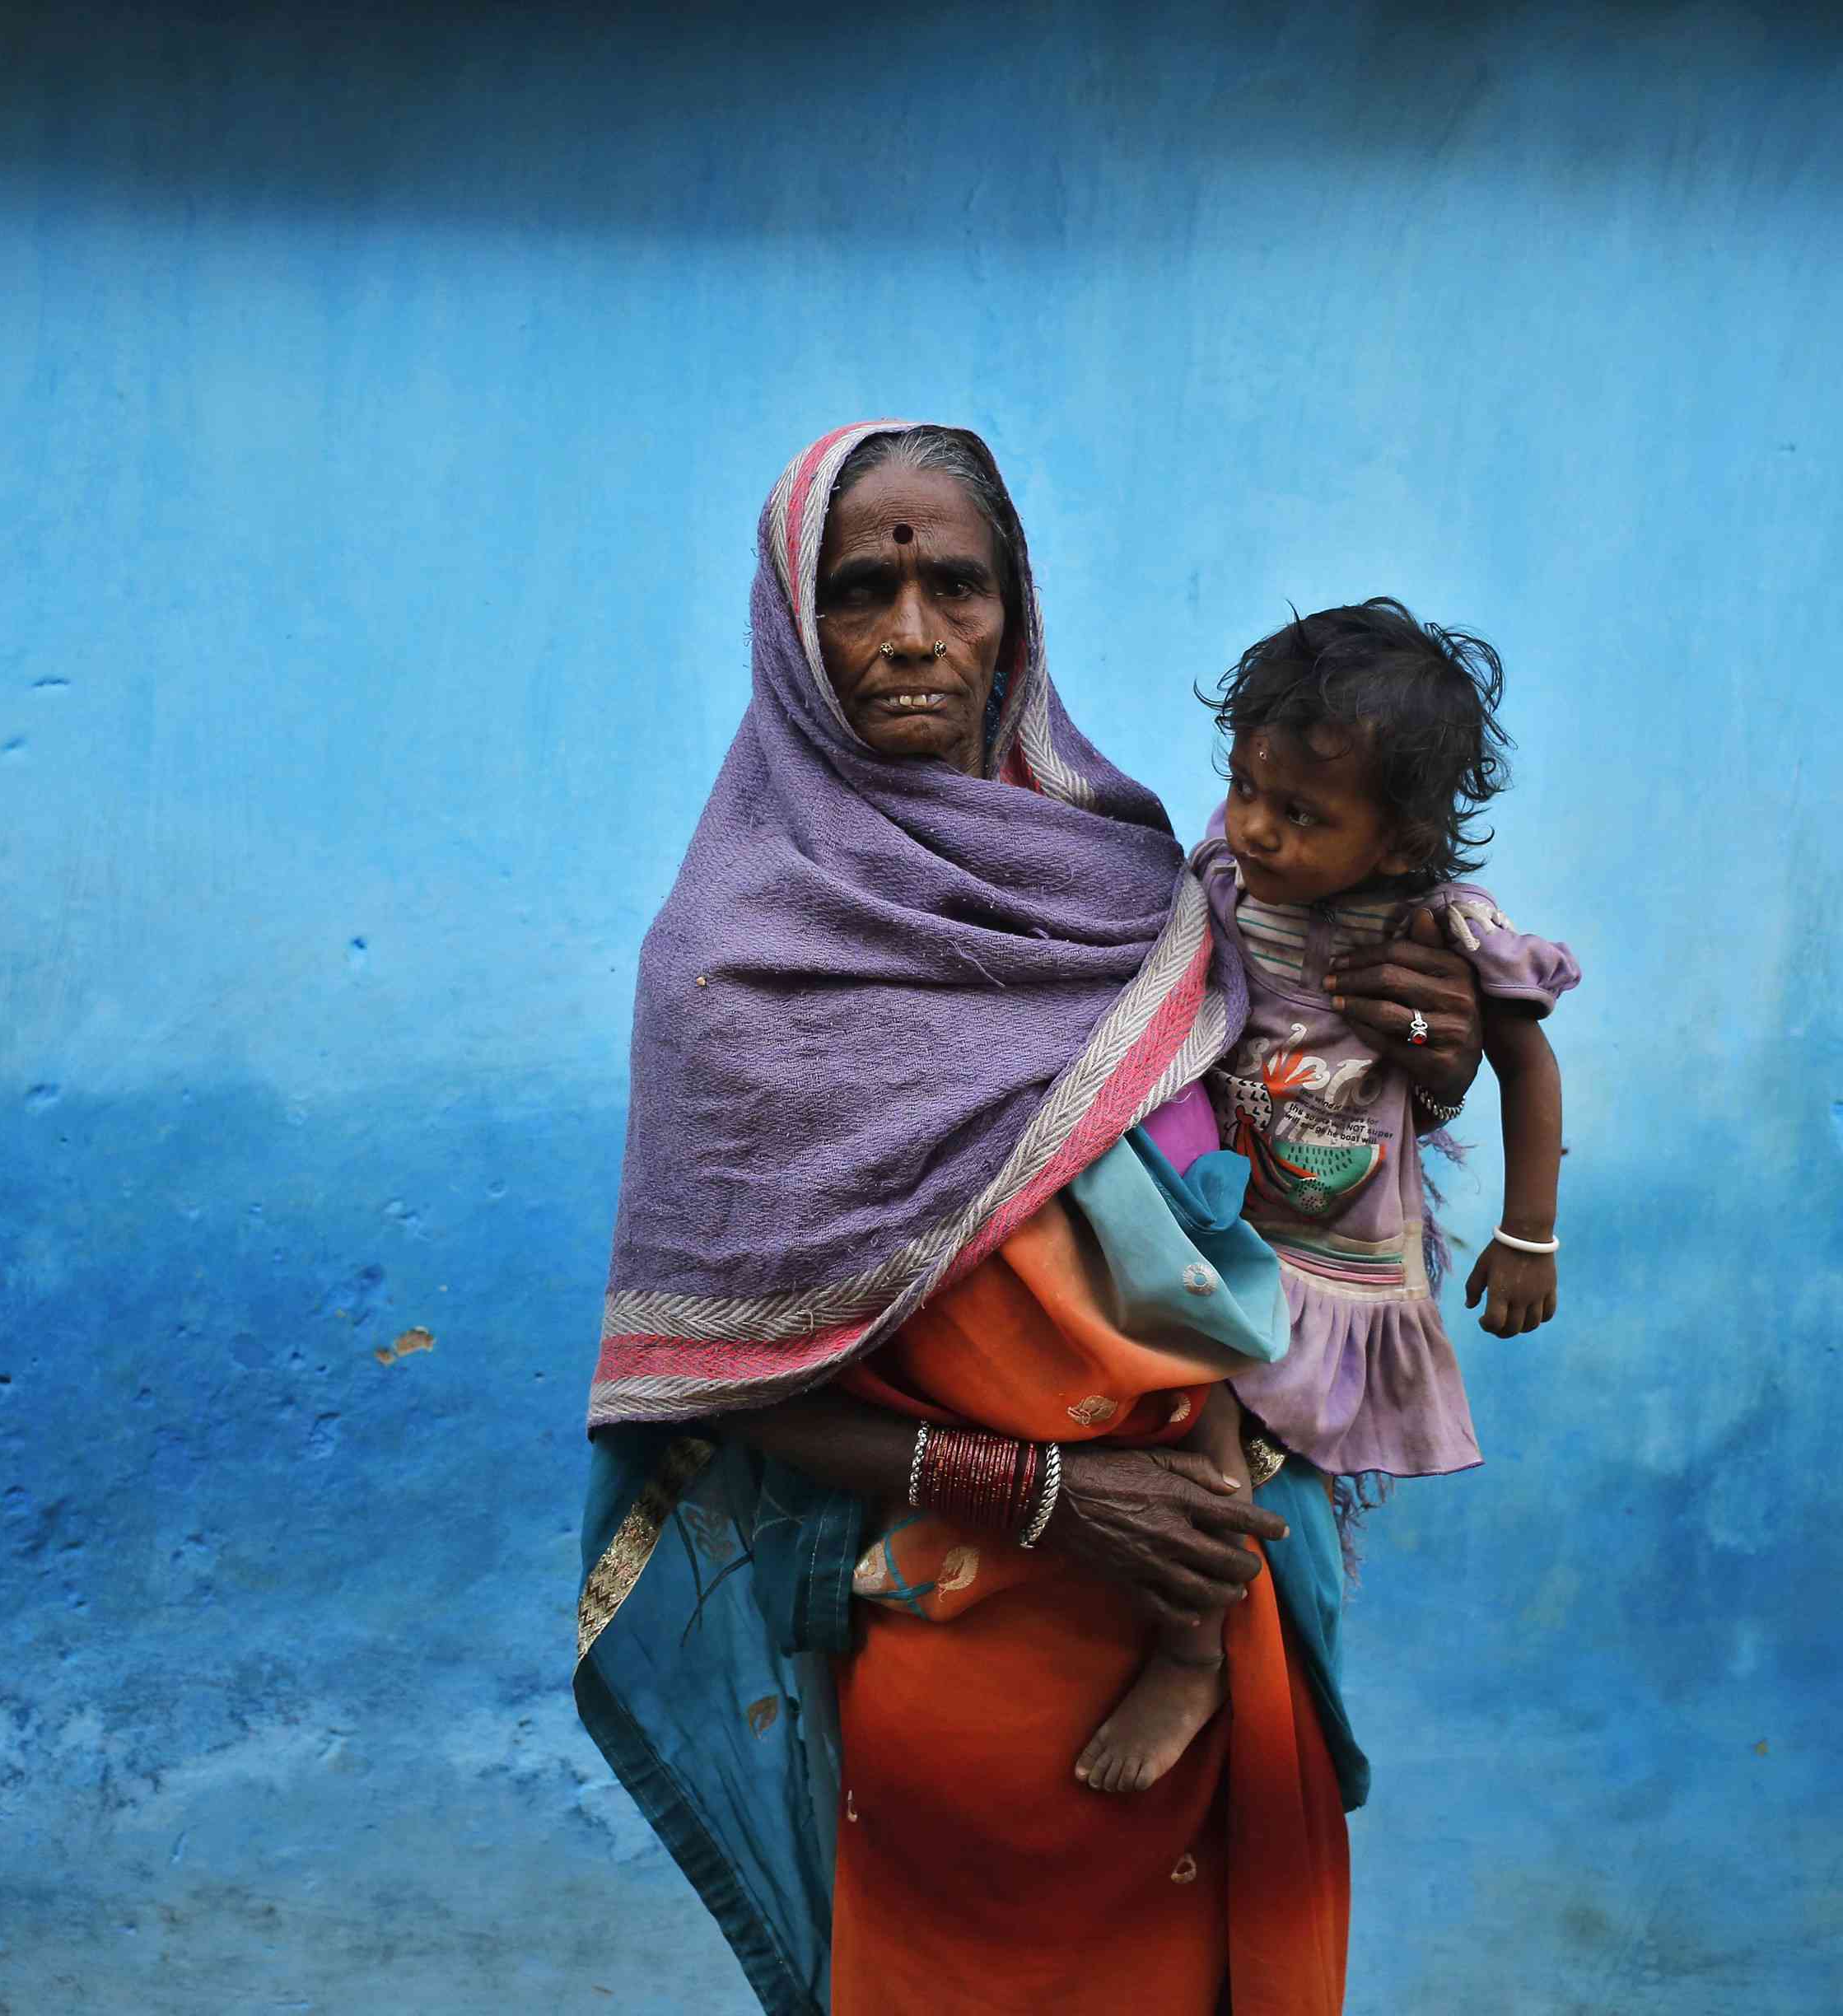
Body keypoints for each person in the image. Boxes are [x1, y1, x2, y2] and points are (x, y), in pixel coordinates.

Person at [571, 422, 1495, 2016]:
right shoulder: (730, 969)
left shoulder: (1140, 890)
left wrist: (1435, 1058)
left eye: (959, 586)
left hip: (1223, 1619)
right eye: (862, 590)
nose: (915, 636)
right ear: (794, 629)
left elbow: (1275, 1180)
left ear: (1021, 613)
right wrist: (1057, 1495)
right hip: (976, 1657)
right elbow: (719, 1385)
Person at [1071, 600, 1582, 1797]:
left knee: (1272, 1480)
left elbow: (1530, 1067)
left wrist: (1529, 1235)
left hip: (1337, 1263)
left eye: (1301, 813)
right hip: (1222, 1218)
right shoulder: (1230, 876)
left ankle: (1218, 1668)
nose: (1257, 827)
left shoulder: (1441, 925)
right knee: (1187, 1412)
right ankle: (1177, 1643)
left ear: (1403, 836)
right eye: (1247, 787)